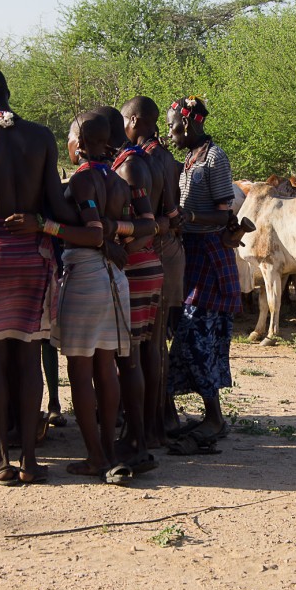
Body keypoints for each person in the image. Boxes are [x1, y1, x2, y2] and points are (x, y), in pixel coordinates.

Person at [0, 66, 76, 485]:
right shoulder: (42, 136)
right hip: (33, 252)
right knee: (28, 357)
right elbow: (56, 204)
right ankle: (29, 459)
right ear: (7, 94)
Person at [40, 112, 133, 483]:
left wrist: (45, 226)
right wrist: (111, 240)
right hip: (115, 281)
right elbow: (125, 233)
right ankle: (108, 449)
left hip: (87, 278)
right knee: (106, 366)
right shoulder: (118, 180)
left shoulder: (82, 180)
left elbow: (94, 233)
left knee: (80, 370)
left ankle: (95, 456)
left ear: (78, 143)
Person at [165, 96, 241, 448]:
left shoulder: (214, 158)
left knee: (197, 336)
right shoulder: (189, 159)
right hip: (191, 253)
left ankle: (215, 418)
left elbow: (225, 215)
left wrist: (189, 218)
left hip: (209, 254)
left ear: (190, 123)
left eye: (173, 126)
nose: (170, 133)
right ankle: (203, 416)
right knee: (187, 335)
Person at [92, 105, 162, 472]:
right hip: (136, 264)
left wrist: (112, 242)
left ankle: (137, 437)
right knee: (133, 354)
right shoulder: (125, 161)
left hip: (135, 266)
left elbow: (147, 224)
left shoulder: (129, 165)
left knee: (130, 356)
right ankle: (141, 432)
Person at [121, 95, 180, 447]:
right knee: (156, 345)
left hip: (144, 254)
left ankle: (146, 427)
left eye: (126, 121)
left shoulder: (138, 161)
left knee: (142, 347)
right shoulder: (167, 159)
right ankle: (158, 421)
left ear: (135, 121)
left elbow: (160, 220)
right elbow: (174, 217)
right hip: (165, 254)